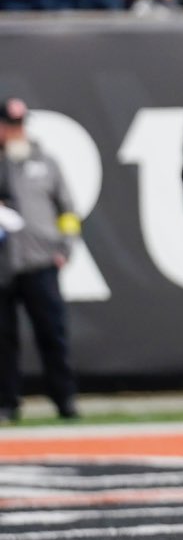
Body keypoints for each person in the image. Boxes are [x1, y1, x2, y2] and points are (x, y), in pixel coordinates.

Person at [0, 97, 79, 422]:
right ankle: (6, 403)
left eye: (19, 125)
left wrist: (65, 248)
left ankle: (64, 400)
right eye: (9, 125)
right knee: (3, 340)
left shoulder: (46, 162)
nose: (16, 132)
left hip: (40, 262)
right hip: (2, 265)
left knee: (52, 333)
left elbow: (68, 211)